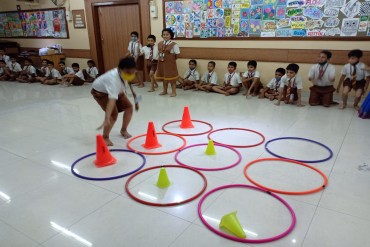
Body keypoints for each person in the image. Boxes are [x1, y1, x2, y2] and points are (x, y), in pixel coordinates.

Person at [91, 56, 139, 146]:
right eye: (129, 72)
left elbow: (127, 83)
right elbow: (112, 101)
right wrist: (107, 118)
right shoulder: (113, 79)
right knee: (113, 114)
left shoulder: (126, 72)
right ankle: (105, 137)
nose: (131, 74)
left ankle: (123, 130)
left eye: (133, 71)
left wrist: (136, 100)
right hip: (101, 92)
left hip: (118, 90)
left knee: (129, 107)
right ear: (121, 69)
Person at [156, 28, 180, 97]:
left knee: (172, 78)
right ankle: (165, 91)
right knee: (164, 77)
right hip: (161, 63)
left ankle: (174, 92)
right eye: (164, 34)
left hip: (170, 64)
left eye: (167, 34)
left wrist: (171, 60)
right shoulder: (160, 43)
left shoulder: (174, 44)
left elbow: (177, 54)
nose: (165, 36)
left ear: (171, 35)